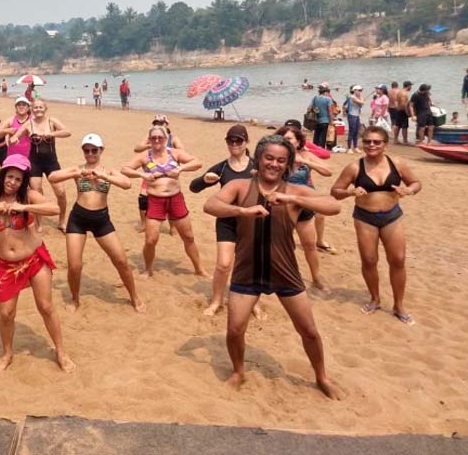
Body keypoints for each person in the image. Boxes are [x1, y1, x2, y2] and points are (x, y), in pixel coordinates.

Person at [203, 134, 342, 399]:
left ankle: (322, 376)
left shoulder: (294, 191)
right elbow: (211, 204)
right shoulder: (241, 186)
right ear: (259, 158)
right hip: (248, 270)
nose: (274, 164)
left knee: (309, 331)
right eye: (269, 158)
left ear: (288, 165)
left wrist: (294, 201)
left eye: (281, 160)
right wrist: (242, 212)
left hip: (285, 271)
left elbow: (333, 205)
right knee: (234, 330)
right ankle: (238, 371)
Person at [0, 154, 76, 372]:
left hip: (34, 259)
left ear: (23, 182)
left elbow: (54, 208)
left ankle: (61, 351)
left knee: (46, 306)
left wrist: (24, 208)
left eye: (18, 179)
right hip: (6, 265)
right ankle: (7, 353)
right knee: (6, 314)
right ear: (3, 176)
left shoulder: (28, 196)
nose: (12, 182)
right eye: (10, 176)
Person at [331, 126, 421, 325]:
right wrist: (350, 192)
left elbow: (416, 182)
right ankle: (375, 299)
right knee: (369, 260)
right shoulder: (355, 167)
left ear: (385, 145)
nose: (372, 145)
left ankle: (399, 305)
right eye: (368, 141)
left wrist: (409, 191)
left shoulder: (396, 163)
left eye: (377, 142)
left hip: (392, 216)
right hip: (365, 218)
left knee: (398, 259)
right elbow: (335, 191)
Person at [48, 133, 145, 313]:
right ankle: (75, 299)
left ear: (101, 150)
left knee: (121, 261)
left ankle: (134, 296)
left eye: (94, 150)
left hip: (101, 220)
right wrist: (77, 173)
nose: (90, 154)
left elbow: (126, 184)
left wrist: (105, 177)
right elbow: (53, 177)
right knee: (75, 265)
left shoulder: (107, 170)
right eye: (87, 150)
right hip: (78, 218)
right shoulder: (78, 169)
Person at [189, 125, 262, 317]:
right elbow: (193, 188)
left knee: (250, 264)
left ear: (247, 141)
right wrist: (205, 180)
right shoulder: (221, 168)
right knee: (223, 264)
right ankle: (216, 300)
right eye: (231, 141)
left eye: (239, 140)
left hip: (252, 222)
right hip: (227, 220)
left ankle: (253, 303)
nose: (235, 144)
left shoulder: (257, 165)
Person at [121, 126, 208, 279]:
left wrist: (180, 169)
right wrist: (143, 174)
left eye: (160, 137)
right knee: (150, 240)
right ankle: (148, 269)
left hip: (175, 199)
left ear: (165, 139)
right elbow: (125, 169)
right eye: (153, 138)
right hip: (155, 200)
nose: (156, 140)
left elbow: (197, 162)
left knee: (188, 237)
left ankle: (199, 269)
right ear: (149, 140)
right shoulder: (145, 156)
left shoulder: (174, 153)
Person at [275, 126, 333, 290]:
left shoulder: (305, 155)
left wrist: (306, 162)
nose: (287, 141)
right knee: (283, 243)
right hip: (283, 205)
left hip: (304, 203)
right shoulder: (276, 157)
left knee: (309, 244)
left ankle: (316, 278)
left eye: (290, 138)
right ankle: (283, 275)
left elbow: (328, 171)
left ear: (298, 141)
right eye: (284, 138)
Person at [9, 99, 71, 231]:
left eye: (40, 107)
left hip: (51, 162)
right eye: (35, 107)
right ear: (32, 109)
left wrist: (51, 133)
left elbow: (67, 132)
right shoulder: (28, 124)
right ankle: (39, 223)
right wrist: (13, 139)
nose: (38, 109)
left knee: (60, 192)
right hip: (35, 162)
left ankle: (62, 221)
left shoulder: (51, 121)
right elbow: (15, 136)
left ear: (45, 109)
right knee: (36, 192)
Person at [133, 115, 185, 232]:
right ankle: (144, 224)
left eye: (162, 123)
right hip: (152, 169)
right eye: (156, 123)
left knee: (171, 199)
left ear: (167, 124)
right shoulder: (150, 137)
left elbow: (182, 152)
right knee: (143, 198)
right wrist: (152, 144)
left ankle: (172, 227)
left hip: (169, 172)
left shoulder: (173, 138)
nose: (159, 125)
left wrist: (167, 149)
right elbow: (137, 148)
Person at [345, 86, 365, 153]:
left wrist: (361, 99)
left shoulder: (358, 97)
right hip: (351, 115)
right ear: (355, 90)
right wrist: (361, 100)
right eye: (359, 90)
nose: (360, 92)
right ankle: (349, 148)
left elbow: (361, 104)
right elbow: (362, 102)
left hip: (357, 115)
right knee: (351, 131)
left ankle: (355, 147)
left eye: (361, 90)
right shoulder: (352, 97)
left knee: (356, 132)